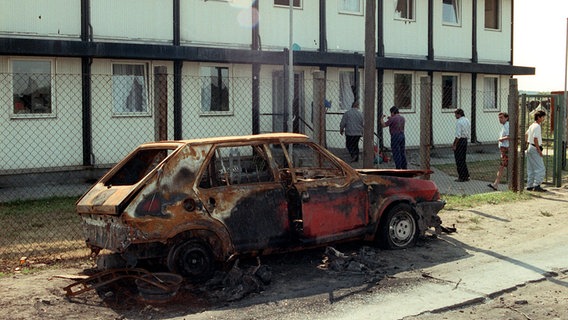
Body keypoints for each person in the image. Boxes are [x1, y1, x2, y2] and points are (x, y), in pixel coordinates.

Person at [525, 110, 547, 192]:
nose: (544, 119)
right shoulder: (537, 126)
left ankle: (529, 185)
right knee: (540, 168)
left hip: (530, 147)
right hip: (535, 148)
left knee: (531, 168)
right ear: (539, 117)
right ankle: (537, 185)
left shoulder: (532, 125)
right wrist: (539, 150)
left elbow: (526, 134)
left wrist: (527, 144)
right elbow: (535, 139)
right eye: (543, 117)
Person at [488, 112, 509, 191]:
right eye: (499, 118)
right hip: (503, 149)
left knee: (502, 166)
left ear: (506, 118)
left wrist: (501, 139)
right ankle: (496, 184)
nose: (500, 120)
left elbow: (510, 135)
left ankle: (496, 184)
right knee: (502, 166)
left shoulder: (507, 125)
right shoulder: (504, 126)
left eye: (501, 118)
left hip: (506, 148)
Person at [453, 108, 471, 182]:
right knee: (463, 159)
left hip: (460, 141)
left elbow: (458, 135)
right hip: (465, 140)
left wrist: (454, 144)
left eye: (456, 114)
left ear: (459, 114)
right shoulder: (467, 120)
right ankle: (466, 175)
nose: (455, 116)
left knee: (458, 159)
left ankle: (461, 176)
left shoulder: (459, 122)